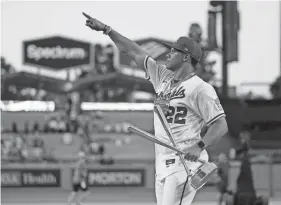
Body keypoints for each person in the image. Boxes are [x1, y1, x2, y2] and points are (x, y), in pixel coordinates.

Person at [82, 12, 228, 205]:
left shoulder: (201, 88)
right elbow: (133, 51)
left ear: (186, 57)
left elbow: (221, 125)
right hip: (163, 163)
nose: (168, 53)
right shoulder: (163, 78)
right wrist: (107, 30)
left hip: (184, 163)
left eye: (174, 51)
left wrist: (199, 145)